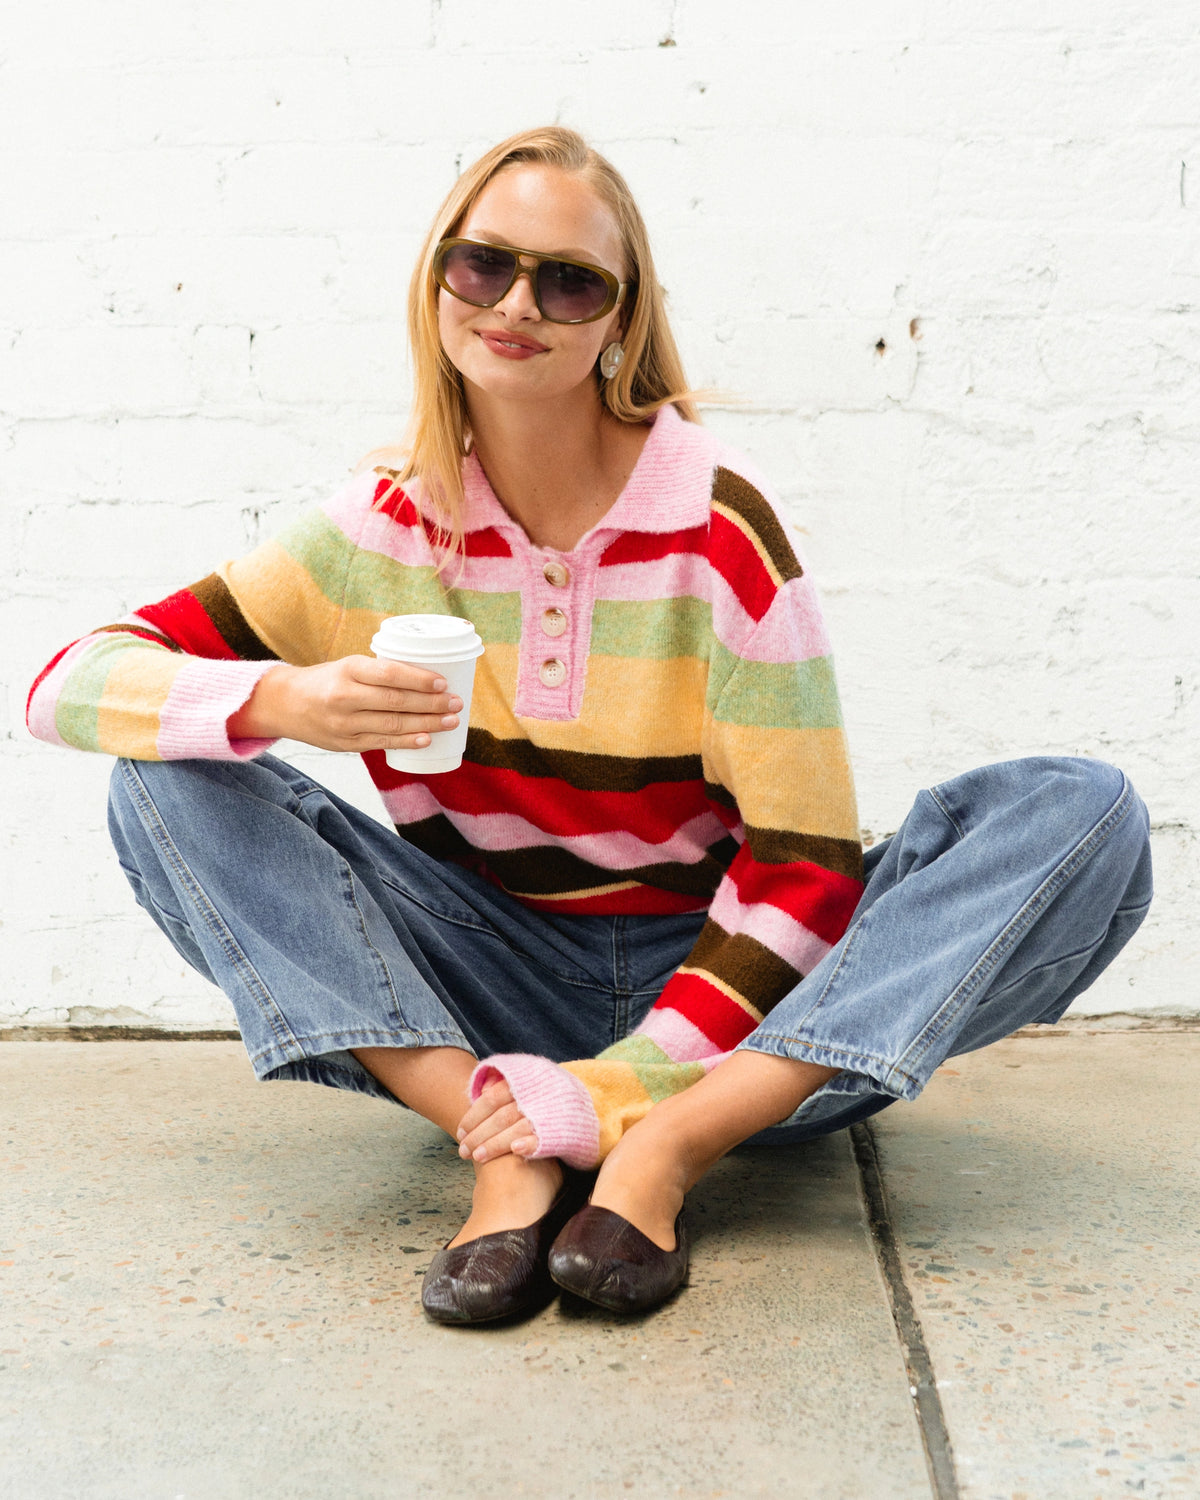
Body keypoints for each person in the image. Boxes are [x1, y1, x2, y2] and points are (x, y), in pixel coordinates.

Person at [27, 126, 1152, 1325]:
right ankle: (501, 1146)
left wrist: (634, 1097)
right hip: (487, 986)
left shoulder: (718, 526)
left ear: (619, 320)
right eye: (482, 264)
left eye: (568, 281)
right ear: (437, 283)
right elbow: (66, 684)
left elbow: (804, 868)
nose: (517, 304)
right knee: (164, 777)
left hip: (737, 1006)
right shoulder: (379, 529)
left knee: (1082, 814)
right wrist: (281, 700)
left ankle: (663, 1151)